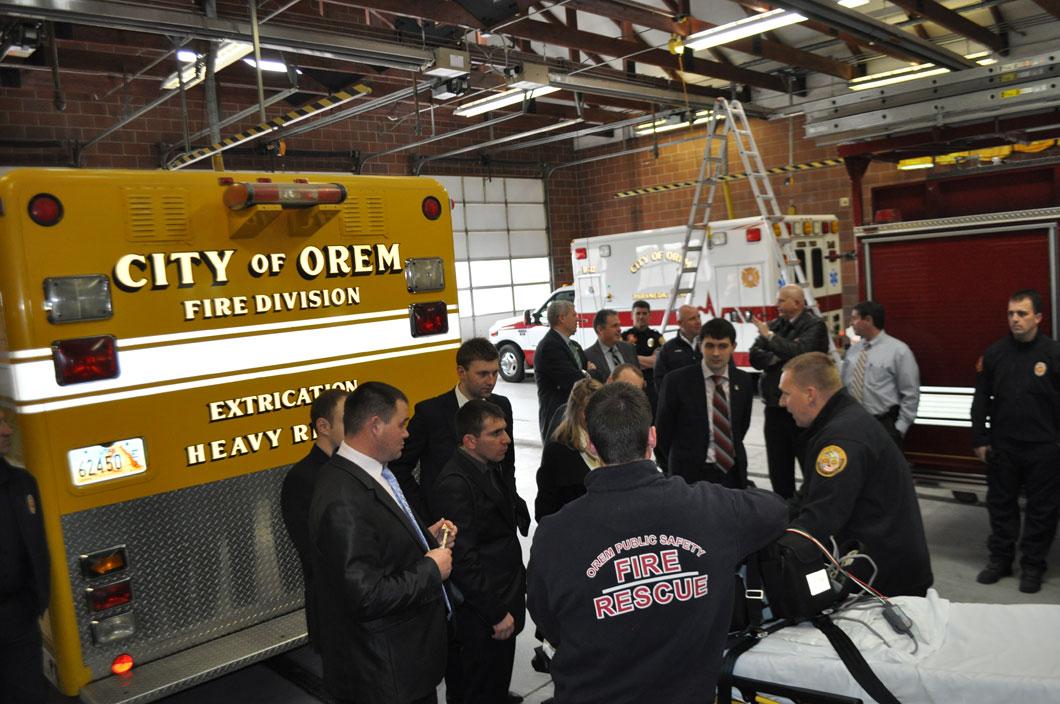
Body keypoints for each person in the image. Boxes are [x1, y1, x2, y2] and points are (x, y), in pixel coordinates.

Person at [527, 384, 787, 704]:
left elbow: (548, 622)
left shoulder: (554, 535)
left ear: (592, 445)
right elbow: (776, 509)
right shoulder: (711, 509)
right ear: (652, 437)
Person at [308, 382, 457, 704]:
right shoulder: (343, 497)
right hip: (385, 678)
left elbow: (379, 547)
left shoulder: (370, 476)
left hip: (403, 668)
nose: (407, 433)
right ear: (375, 425)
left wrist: (424, 537)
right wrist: (431, 569)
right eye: (402, 424)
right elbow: (366, 595)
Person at [780, 352, 933, 597]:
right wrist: (768, 520)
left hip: (884, 578)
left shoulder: (841, 440)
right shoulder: (841, 421)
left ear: (810, 394)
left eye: (786, 394)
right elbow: (808, 497)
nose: (782, 402)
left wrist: (775, 544)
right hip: (876, 557)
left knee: (801, 594)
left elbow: (822, 517)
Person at [430, 401, 531, 704]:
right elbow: (463, 561)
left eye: (506, 431)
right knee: (477, 688)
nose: (507, 440)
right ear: (470, 441)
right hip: (481, 615)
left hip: (501, 596)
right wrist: (496, 613)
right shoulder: (455, 485)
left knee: (495, 682)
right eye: (496, 433)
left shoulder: (486, 466)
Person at [971, 289, 1060, 594]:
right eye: (1011, 313)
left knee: (1042, 510)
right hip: (1003, 447)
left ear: (1038, 317)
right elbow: (981, 399)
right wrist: (980, 438)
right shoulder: (994, 354)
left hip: (1044, 448)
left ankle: (1033, 565)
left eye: (1022, 313)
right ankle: (1001, 560)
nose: (1015, 319)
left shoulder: (1053, 354)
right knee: (1000, 506)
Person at [390, 338, 518, 514]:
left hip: (495, 517)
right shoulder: (430, 413)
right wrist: (424, 511)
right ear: (461, 372)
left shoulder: (502, 405)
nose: (491, 381)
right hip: (448, 519)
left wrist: (512, 503)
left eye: (495, 373)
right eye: (483, 374)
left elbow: (508, 463)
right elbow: (398, 467)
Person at [280, 388, 347, 651]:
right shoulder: (302, 479)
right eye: (347, 419)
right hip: (335, 611)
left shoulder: (354, 467)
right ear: (323, 426)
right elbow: (313, 553)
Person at [749, 284, 829, 499]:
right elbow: (754, 356)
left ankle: (813, 509)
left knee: (810, 466)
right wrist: (779, 356)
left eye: (782, 300)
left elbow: (802, 354)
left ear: (798, 303)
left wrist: (771, 339)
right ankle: (784, 510)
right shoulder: (775, 325)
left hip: (804, 411)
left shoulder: (815, 326)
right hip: (775, 408)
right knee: (778, 469)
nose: (777, 304)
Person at [656, 318, 754, 489]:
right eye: (710, 346)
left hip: (732, 473)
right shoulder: (676, 382)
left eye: (722, 346)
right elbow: (663, 432)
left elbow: (741, 427)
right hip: (689, 475)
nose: (716, 353)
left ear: (733, 347)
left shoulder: (743, 380)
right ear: (700, 345)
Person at [0, 415, 51, 704]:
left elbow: (37, 545)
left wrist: (36, 599)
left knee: (29, 694)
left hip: (19, 616)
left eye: (5, 422)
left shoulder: (22, 484)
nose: (8, 430)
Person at [840, 301, 920, 447]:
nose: (851, 323)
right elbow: (844, 385)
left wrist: (899, 428)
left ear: (868, 320)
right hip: (853, 423)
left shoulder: (899, 351)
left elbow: (910, 393)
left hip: (883, 424)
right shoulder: (853, 351)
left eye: (855, 318)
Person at [535, 378, 603, 521]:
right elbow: (544, 510)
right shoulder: (558, 450)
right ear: (575, 411)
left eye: (601, 409)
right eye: (588, 410)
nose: (595, 416)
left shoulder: (613, 442)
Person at [535, 300, 590, 440]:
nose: (578, 319)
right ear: (562, 318)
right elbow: (572, 380)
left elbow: (585, 373)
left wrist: (584, 373)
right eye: (574, 315)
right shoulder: (549, 346)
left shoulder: (574, 345)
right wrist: (587, 373)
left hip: (575, 415)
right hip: (559, 419)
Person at [622, 300, 663, 410]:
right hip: (629, 385)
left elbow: (656, 361)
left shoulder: (657, 337)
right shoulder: (623, 337)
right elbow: (620, 361)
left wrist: (630, 358)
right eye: (638, 313)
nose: (641, 317)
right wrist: (647, 360)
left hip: (652, 386)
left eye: (644, 313)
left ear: (650, 315)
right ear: (632, 315)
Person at [653, 304, 701, 393]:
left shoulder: (708, 344)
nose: (698, 322)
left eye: (698, 317)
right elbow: (660, 380)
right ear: (680, 323)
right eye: (692, 319)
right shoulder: (668, 349)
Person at [584, 309, 638, 384]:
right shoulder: (588, 356)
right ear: (600, 329)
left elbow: (638, 376)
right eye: (615, 326)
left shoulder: (629, 349)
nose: (619, 329)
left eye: (619, 325)